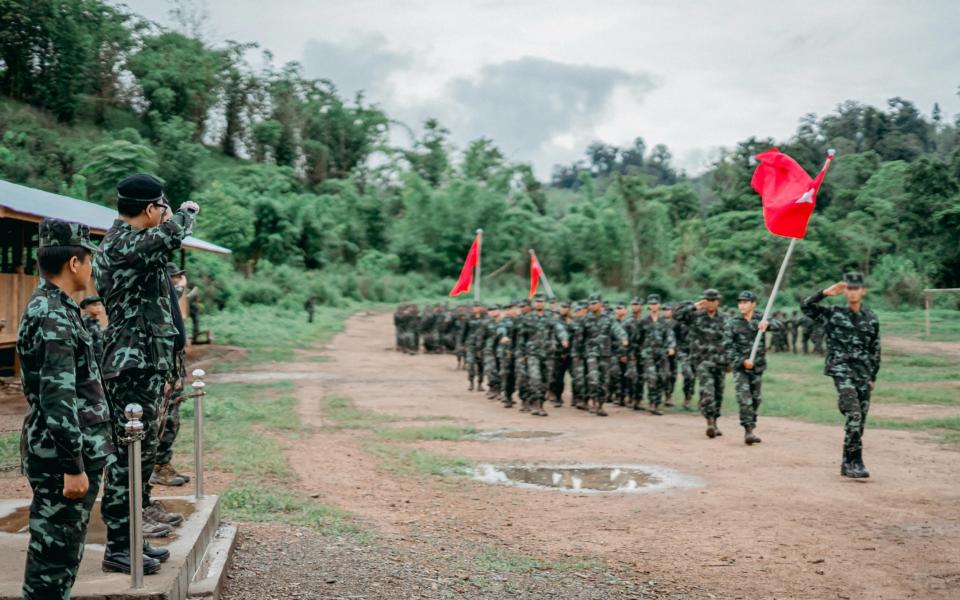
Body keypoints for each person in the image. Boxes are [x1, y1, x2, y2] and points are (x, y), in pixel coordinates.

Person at [17, 219, 129, 598]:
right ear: (75, 263)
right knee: (53, 564)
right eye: (89, 259)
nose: (92, 268)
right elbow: (57, 399)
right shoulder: (52, 317)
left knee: (61, 558)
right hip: (60, 459)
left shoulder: (56, 308)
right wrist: (73, 467)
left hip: (62, 452)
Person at [94, 173, 199, 572]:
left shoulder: (136, 244)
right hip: (130, 363)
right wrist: (186, 212)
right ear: (152, 208)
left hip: (143, 360)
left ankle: (129, 540)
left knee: (141, 452)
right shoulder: (124, 242)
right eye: (161, 207)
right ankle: (118, 547)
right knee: (128, 455)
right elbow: (171, 235)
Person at [801, 272, 880, 478]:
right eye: (849, 288)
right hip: (841, 370)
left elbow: (875, 348)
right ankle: (857, 461)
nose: (852, 292)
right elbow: (806, 307)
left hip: (863, 373)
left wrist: (873, 376)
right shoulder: (833, 313)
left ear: (863, 291)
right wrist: (824, 293)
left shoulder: (871, 318)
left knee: (859, 420)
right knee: (854, 413)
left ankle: (846, 462)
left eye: (856, 288)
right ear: (845, 291)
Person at [152, 262, 191, 487]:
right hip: (166, 369)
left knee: (172, 419)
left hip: (173, 366)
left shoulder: (168, 295)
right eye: (175, 277)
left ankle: (163, 463)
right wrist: (168, 375)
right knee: (164, 420)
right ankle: (158, 466)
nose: (177, 281)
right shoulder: (163, 296)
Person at [723, 291, 778, 445]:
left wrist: (768, 325)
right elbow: (728, 347)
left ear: (753, 304)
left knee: (755, 399)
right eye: (740, 302)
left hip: (758, 366)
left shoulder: (762, 317)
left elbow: (780, 325)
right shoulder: (732, 323)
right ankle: (748, 431)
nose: (742, 305)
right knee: (744, 399)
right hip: (741, 368)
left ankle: (751, 425)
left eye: (745, 302)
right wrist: (742, 361)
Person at [675, 289, 729, 438]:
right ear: (704, 301)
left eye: (713, 300)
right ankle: (710, 422)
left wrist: (730, 361)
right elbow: (677, 315)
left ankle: (715, 422)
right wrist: (694, 306)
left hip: (720, 362)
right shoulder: (695, 316)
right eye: (708, 300)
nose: (710, 303)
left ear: (718, 302)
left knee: (718, 393)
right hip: (702, 361)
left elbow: (730, 341)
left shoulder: (725, 319)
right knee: (708, 392)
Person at [637, 294, 676, 416]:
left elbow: (670, 335)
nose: (653, 306)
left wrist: (671, 347)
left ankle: (657, 403)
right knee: (652, 378)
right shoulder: (643, 320)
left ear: (659, 305)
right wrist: (636, 352)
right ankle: (652, 403)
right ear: (648, 306)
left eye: (655, 303)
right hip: (648, 354)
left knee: (662, 378)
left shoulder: (664, 321)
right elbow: (638, 338)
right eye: (651, 304)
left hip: (661, 353)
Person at [79, 295, 106, 363]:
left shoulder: (96, 322)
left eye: (99, 305)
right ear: (86, 307)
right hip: (90, 361)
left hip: (100, 360)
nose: (98, 307)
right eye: (94, 305)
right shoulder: (83, 322)